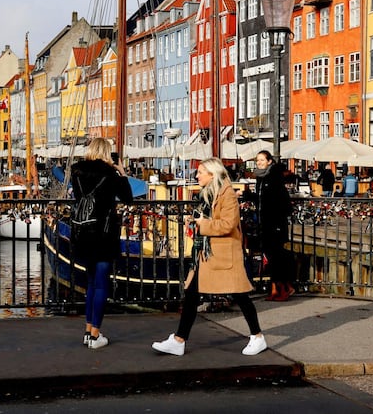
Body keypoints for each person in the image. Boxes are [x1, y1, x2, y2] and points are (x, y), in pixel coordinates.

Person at [152, 157, 267, 356]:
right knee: (192, 294)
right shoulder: (209, 195)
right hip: (208, 254)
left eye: (201, 172)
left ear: (212, 175)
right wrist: (197, 221)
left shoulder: (227, 194)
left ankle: (257, 336)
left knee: (240, 295)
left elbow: (227, 224)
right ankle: (179, 340)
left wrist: (200, 224)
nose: (197, 175)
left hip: (222, 254)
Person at [70, 138, 133, 350]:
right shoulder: (110, 174)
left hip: (83, 232)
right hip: (104, 234)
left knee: (90, 283)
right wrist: (121, 172)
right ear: (107, 153)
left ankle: (88, 331)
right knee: (101, 284)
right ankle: (96, 335)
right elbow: (128, 198)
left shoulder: (77, 172)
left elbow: (79, 198)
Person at [241, 150, 295, 301]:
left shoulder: (274, 177)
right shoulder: (261, 178)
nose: (259, 163)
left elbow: (279, 200)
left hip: (275, 223)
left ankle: (282, 289)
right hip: (265, 223)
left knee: (276, 256)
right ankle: (278, 289)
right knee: (271, 256)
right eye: (257, 161)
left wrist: (277, 221)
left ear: (269, 161)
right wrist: (247, 195)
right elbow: (261, 198)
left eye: (262, 160)